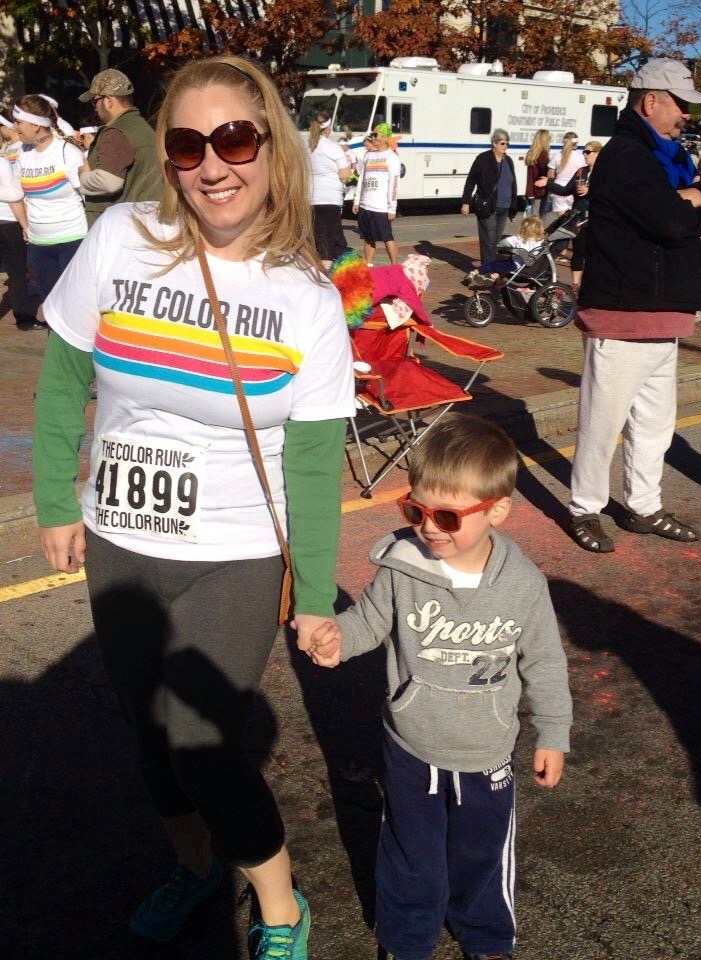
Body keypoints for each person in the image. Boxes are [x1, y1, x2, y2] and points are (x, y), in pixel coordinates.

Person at [32, 54, 355, 957]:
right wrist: (55, 499)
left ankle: (281, 908)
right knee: (150, 738)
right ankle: (196, 867)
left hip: (235, 552)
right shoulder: (121, 236)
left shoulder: (306, 297)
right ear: (168, 157)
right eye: (188, 144)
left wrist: (316, 597)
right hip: (119, 538)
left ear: (272, 147)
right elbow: (63, 380)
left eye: (235, 139)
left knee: (203, 742)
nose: (213, 165)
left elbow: (315, 465)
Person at [307, 414, 572, 960]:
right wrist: (339, 639)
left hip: (486, 749)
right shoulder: (402, 567)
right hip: (411, 744)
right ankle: (406, 941)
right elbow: (369, 620)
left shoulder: (523, 585)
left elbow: (545, 661)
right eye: (416, 510)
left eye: (448, 516)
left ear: (497, 510)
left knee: (482, 853)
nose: (429, 528)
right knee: (411, 853)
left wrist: (553, 732)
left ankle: (486, 937)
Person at [568, 59, 701, 553]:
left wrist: (693, 197)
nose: (686, 116)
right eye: (681, 105)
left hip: (664, 312)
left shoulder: (669, 157)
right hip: (622, 312)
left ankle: (644, 506)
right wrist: (695, 201)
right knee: (602, 424)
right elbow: (671, 223)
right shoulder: (627, 155)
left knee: (655, 426)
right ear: (650, 101)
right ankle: (585, 508)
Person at [7, 95, 88, 301]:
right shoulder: (23, 153)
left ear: (35, 125)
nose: (14, 127)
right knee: (49, 303)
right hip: (38, 244)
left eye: (18, 122)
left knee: (73, 303)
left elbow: (87, 196)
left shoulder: (67, 152)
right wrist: (25, 226)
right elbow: (15, 194)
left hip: (73, 240)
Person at [77, 68, 163, 227]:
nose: (95, 108)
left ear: (108, 100)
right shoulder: (140, 126)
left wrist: (83, 175)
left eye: (95, 101)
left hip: (120, 227)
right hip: (144, 220)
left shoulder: (115, 132)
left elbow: (108, 183)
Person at [536, 140, 602, 290]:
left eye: (588, 152)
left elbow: (610, 193)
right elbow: (565, 190)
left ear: (598, 153)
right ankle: (575, 284)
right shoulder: (581, 171)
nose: (585, 155)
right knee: (578, 251)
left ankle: (593, 285)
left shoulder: (605, 171)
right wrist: (548, 183)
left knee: (595, 253)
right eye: (584, 151)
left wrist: (590, 191)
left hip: (597, 218)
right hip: (579, 217)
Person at [460, 128, 519, 262]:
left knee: (496, 241)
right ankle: (488, 269)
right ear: (494, 143)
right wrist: (466, 202)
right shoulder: (483, 159)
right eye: (502, 143)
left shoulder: (508, 161)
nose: (505, 146)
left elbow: (513, 185)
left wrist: (513, 208)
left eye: (507, 143)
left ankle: (490, 268)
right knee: (489, 241)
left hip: (504, 207)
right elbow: (471, 180)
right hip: (487, 206)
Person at [0, 151, 41, 330]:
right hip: (8, 223)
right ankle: (24, 319)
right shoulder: (2, 163)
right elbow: (14, 197)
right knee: (17, 272)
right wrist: (25, 225)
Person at [352, 122, 401, 265]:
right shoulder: (368, 155)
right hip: (365, 205)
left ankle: (394, 267)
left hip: (381, 207)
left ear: (385, 137)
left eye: (375, 135)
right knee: (368, 238)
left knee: (387, 238)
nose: (372, 137)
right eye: (372, 135)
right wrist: (357, 200)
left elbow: (394, 184)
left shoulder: (392, 157)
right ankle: (369, 266)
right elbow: (362, 178)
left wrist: (392, 208)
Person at [307, 111, 351, 268]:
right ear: (328, 128)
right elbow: (345, 175)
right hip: (330, 199)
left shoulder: (307, 146)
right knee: (331, 244)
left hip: (310, 198)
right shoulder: (332, 147)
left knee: (318, 240)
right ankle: (328, 278)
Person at [464, 214, 545, 288]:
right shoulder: (541, 242)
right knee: (502, 266)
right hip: (531, 268)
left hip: (515, 266)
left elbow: (502, 243)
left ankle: (473, 273)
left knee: (493, 264)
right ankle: (494, 277)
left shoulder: (517, 239)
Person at [546, 131, 584, 217]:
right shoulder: (581, 157)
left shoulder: (557, 155)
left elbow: (550, 175)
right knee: (574, 219)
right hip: (573, 191)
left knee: (562, 220)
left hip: (558, 190)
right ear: (576, 143)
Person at [523, 127, 551, 217]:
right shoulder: (543, 155)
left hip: (530, 191)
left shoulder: (532, 154)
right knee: (539, 220)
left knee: (530, 217)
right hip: (540, 192)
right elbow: (546, 171)